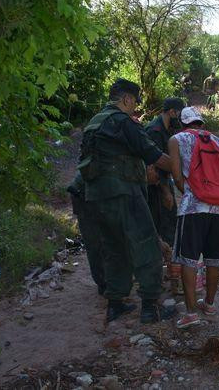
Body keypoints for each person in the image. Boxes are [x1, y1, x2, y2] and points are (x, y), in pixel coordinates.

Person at [77, 78, 175, 324]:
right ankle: (150, 307)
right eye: (134, 103)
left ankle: (115, 304)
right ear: (126, 99)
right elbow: (155, 156)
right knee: (145, 245)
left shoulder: (94, 123)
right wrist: (188, 168)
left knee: (114, 249)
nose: (134, 108)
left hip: (96, 198)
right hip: (123, 192)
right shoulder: (122, 122)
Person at [168, 107, 219, 328]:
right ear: (200, 123)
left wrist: (187, 193)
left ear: (183, 123)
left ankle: (191, 313)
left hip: (193, 208)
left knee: (188, 260)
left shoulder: (177, 139)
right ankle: (210, 304)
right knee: (214, 259)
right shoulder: (217, 141)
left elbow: (177, 176)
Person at [145, 97, 185, 246]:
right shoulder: (154, 131)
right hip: (155, 185)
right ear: (172, 112)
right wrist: (166, 191)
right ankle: (169, 261)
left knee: (170, 221)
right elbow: (155, 165)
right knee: (165, 223)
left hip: (163, 181)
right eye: (180, 114)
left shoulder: (167, 129)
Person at [67, 173, 105, 295]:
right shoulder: (92, 166)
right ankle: (103, 283)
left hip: (89, 203)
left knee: (98, 246)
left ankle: (104, 282)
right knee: (95, 246)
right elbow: (73, 188)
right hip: (85, 204)